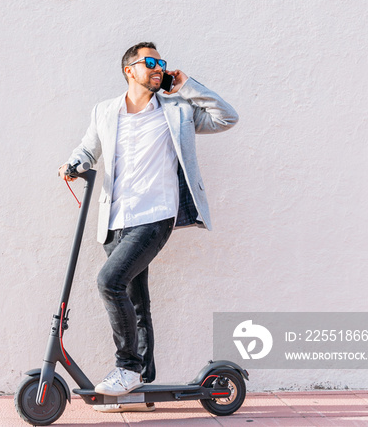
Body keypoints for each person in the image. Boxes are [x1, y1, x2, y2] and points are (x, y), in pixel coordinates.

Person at [58, 42, 238, 413]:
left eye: (163, 63)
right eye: (151, 62)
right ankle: (139, 379)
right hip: (115, 219)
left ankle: (126, 368)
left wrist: (187, 85)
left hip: (156, 215)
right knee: (135, 299)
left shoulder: (177, 110)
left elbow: (226, 117)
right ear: (129, 70)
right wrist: (73, 164)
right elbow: (88, 149)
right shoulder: (105, 111)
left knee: (109, 281)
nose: (159, 68)